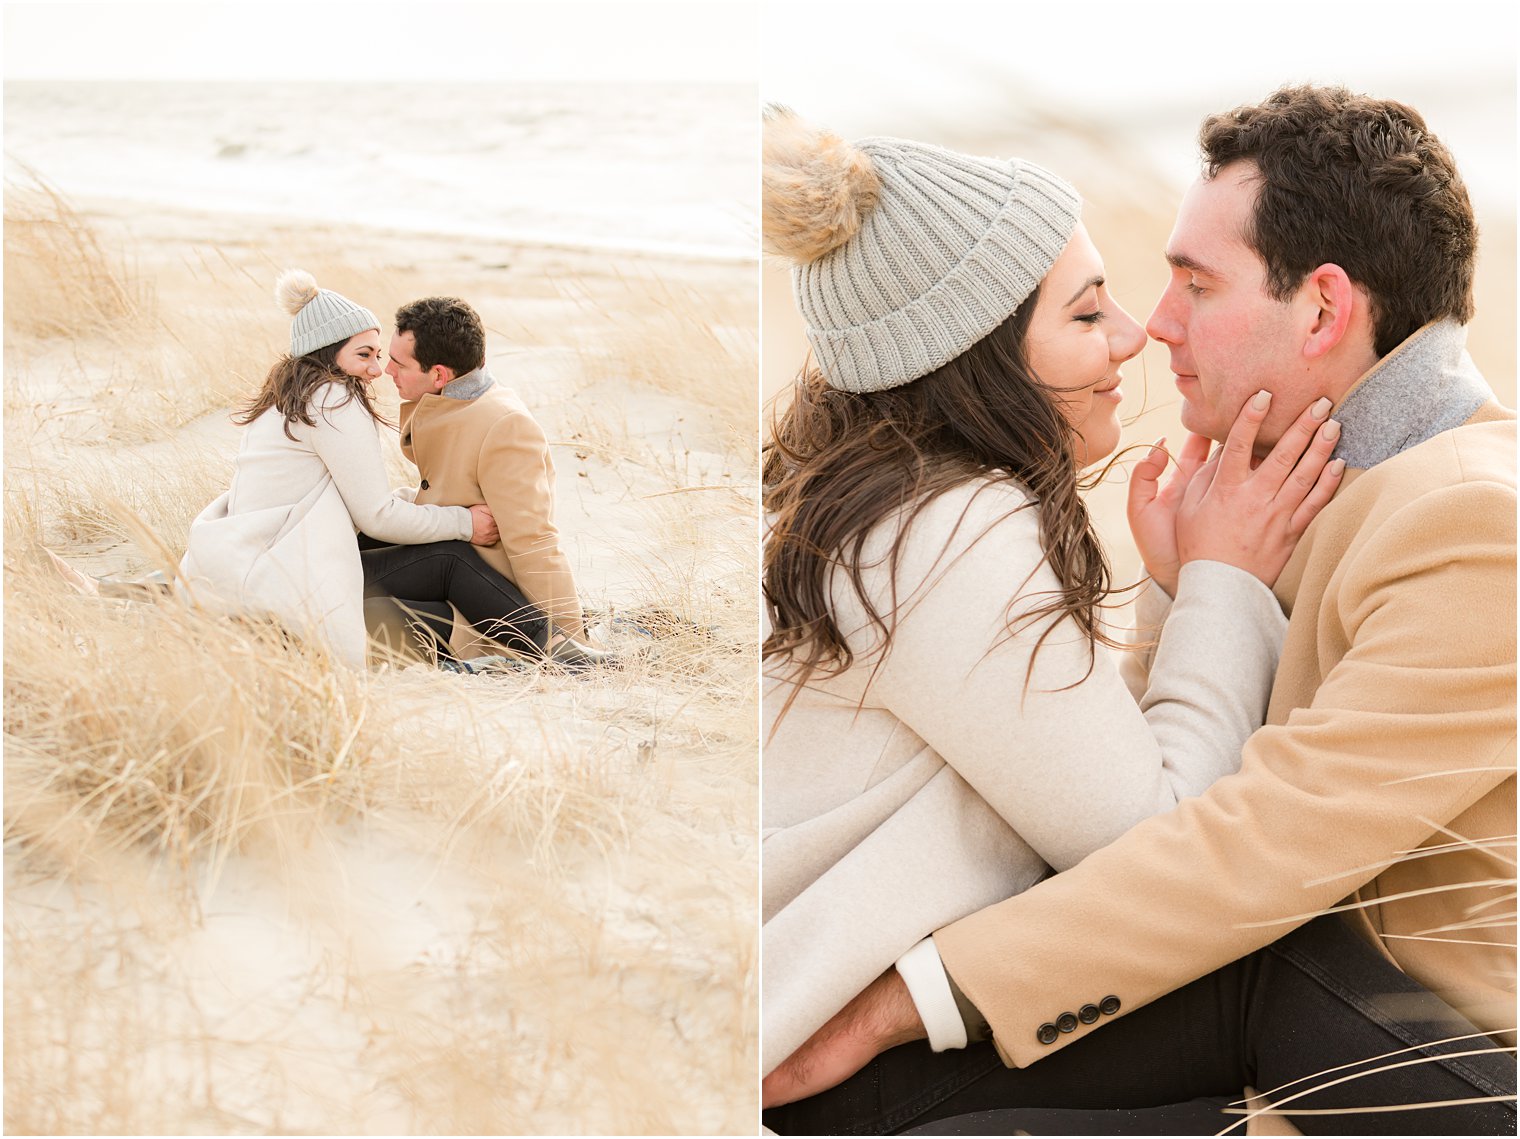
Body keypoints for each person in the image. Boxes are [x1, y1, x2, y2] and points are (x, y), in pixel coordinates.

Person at [763, 87, 1516, 1134]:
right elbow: (1115, 803)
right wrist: (1188, 583)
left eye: (1194, 284)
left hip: (1408, 1073)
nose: (1150, 326)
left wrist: (903, 1002)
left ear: (1323, 308)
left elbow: (1249, 847)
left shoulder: (1474, 515)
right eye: (1101, 304)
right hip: (1232, 1028)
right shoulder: (1283, 485)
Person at [177, 271, 502, 670]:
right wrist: (463, 522)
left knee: (423, 601)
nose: (376, 369)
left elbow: (336, 502)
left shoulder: (289, 396)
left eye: (378, 355)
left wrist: (414, 503)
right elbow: (376, 517)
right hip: (284, 572)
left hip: (257, 565)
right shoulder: (332, 399)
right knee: (449, 559)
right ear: (328, 352)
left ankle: (446, 664)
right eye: (363, 354)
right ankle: (555, 648)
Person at [363, 294, 615, 670]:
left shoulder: (505, 426)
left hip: (475, 606)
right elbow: (440, 492)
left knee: (362, 612)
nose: (387, 371)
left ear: (439, 375)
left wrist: (569, 639)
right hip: (433, 568)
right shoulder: (448, 401)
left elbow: (535, 541)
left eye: (398, 363)